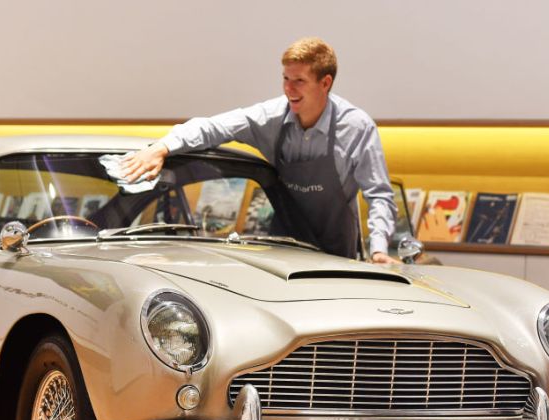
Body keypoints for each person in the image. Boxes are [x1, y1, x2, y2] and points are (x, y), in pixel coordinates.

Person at [121, 37, 399, 264]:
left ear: (325, 83)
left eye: (299, 80)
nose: (289, 89)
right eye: (285, 78)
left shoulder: (357, 127)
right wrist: (161, 147)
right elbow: (213, 127)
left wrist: (378, 251)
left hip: (340, 253)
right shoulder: (271, 117)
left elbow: (379, 195)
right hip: (283, 249)